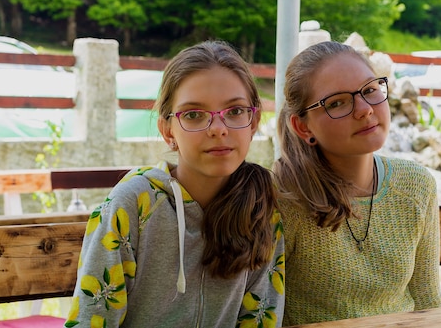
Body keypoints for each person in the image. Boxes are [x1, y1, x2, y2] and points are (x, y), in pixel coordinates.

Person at [64, 41, 285, 328]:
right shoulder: (133, 205)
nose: (218, 128)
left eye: (234, 111)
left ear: (253, 122)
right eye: (194, 115)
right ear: (168, 130)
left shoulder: (262, 210)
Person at [272, 41, 441, 326]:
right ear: (304, 127)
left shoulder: (416, 185)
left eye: (370, 90)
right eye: (337, 102)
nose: (364, 110)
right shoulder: (284, 198)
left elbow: (429, 301)